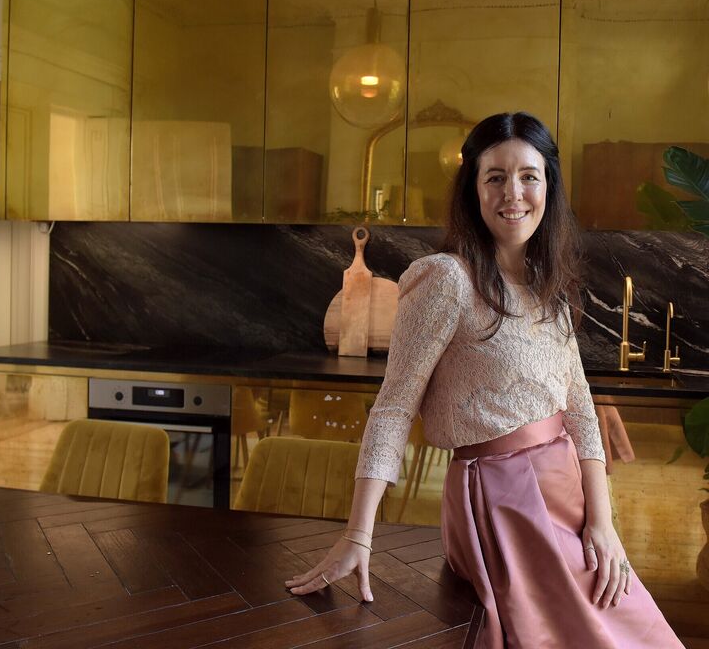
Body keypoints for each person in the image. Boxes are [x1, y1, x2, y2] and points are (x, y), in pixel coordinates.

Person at [285, 112, 683, 648]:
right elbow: (394, 408)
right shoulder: (447, 280)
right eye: (494, 176)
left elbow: (581, 411)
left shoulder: (551, 285)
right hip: (502, 500)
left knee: (634, 627)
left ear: (549, 186)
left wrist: (603, 523)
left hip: (567, 491)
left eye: (528, 176)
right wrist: (359, 535)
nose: (512, 193)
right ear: (473, 189)